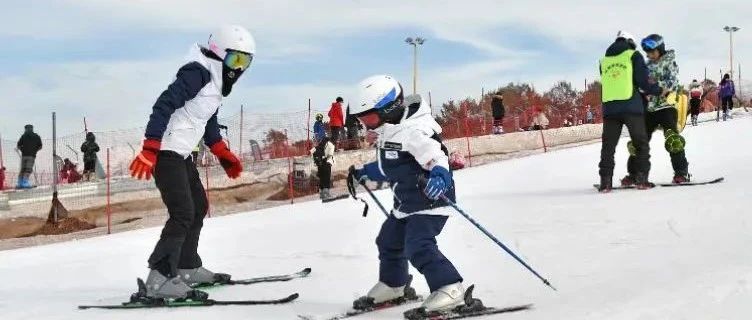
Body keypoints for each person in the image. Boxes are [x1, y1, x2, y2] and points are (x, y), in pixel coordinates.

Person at [128, 25, 253, 300]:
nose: (240, 68)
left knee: (198, 206)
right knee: (183, 212)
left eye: (246, 61)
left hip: (182, 153)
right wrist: (150, 146)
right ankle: (159, 278)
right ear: (220, 54)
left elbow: (205, 119)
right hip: (166, 152)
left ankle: (186, 266)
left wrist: (221, 151)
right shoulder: (197, 72)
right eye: (236, 59)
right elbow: (164, 104)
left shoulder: (217, 82)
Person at [347, 75, 481, 319]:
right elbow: (392, 166)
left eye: (369, 118)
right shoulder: (389, 130)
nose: (366, 124)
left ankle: (450, 288)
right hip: (406, 203)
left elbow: (438, 157)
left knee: (418, 246)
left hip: (430, 200)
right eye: (361, 119)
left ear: (388, 108)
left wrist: (440, 176)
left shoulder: (415, 130)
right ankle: (393, 285)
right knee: (388, 241)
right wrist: (364, 172)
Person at [598, 31, 665, 192]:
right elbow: (643, 80)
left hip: (610, 108)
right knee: (641, 143)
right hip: (631, 107)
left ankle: (605, 183)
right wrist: (658, 90)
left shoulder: (603, 60)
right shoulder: (633, 55)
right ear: (630, 42)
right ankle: (642, 179)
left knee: (608, 147)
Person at [624, 33, 690, 185]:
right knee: (638, 142)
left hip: (667, 106)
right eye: (647, 53)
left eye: (652, 52)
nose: (650, 55)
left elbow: (673, 84)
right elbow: (641, 85)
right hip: (649, 109)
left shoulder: (669, 62)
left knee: (673, 139)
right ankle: (634, 174)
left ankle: (681, 173)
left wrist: (655, 89)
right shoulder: (646, 66)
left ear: (660, 49)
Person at [16, 124, 42, 189]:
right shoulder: (36, 136)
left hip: (24, 155)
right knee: (28, 169)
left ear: (26, 129)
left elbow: (18, 145)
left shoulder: (23, 136)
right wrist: (34, 150)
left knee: (23, 169)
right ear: (32, 129)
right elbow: (40, 146)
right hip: (31, 156)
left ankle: (20, 183)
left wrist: (23, 150)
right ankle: (25, 183)